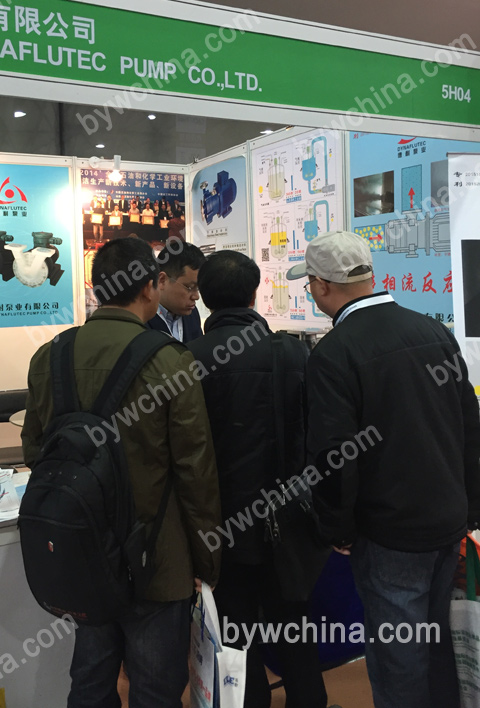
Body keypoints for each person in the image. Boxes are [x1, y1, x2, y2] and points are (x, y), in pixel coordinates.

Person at [22, 237, 222, 708]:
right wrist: (207, 560)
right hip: (158, 557)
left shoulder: (50, 355)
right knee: (155, 684)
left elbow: (35, 450)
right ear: (152, 286)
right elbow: (195, 471)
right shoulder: (170, 360)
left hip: (81, 547)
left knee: (90, 677)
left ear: (95, 288)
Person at [287, 230, 480, 708]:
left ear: (321, 285)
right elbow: (469, 425)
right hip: (447, 520)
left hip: (389, 533)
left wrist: (337, 528)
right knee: (437, 645)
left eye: (310, 285)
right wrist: (471, 508)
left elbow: (335, 455)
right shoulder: (433, 332)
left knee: (399, 659)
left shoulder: (334, 353)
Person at [188, 251, 334, 708]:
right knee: (292, 621)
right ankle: (308, 700)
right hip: (286, 519)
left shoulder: (188, 359)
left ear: (203, 298)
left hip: (221, 524)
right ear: (254, 294)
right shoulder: (291, 351)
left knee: (235, 630)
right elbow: (315, 434)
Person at [146, 241, 204, 342]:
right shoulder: (143, 317)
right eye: (190, 287)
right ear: (162, 280)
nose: (196, 296)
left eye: (198, 288)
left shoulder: (192, 314)